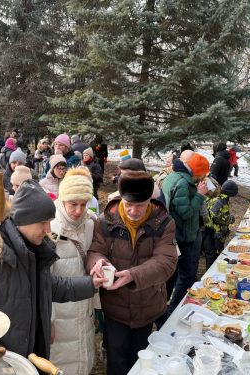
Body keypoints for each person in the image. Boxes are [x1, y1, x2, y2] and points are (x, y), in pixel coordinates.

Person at [0, 179, 104, 359]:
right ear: (23, 220)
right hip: (5, 360)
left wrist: (91, 284)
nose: (48, 229)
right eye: (43, 222)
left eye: (50, 222)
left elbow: (50, 287)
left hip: (31, 351)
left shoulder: (33, 248)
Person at [86, 170, 177, 375]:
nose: (134, 212)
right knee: (116, 357)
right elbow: (95, 251)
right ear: (120, 198)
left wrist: (133, 275)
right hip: (115, 305)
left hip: (147, 304)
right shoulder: (106, 221)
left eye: (140, 205)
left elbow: (167, 261)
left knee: (139, 357)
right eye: (128, 205)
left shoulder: (163, 222)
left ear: (151, 201)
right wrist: (98, 261)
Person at [49, 168, 98, 374]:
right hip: (60, 310)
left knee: (82, 356)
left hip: (84, 304)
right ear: (62, 200)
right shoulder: (50, 228)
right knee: (62, 360)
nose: (78, 210)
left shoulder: (91, 224)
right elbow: (43, 280)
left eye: (83, 204)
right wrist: (48, 320)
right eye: (73, 204)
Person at [161, 153, 210, 312]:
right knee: (186, 275)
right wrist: (200, 196)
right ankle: (173, 309)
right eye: (203, 174)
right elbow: (186, 213)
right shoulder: (182, 183)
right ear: (197, 172)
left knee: (173, 275)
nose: (204, 177)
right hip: (181, 236)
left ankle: (168, 307)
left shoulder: (174, 175)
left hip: (175, 234)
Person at [203, 180, 238, 268]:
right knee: (212, 256)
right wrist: (230, 219)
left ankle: (213, 271)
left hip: (216, 232)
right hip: (213, 233)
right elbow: (214, 215)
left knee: (215, 255)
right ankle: (210, 274)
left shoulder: (222, 199)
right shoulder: (219, 201)